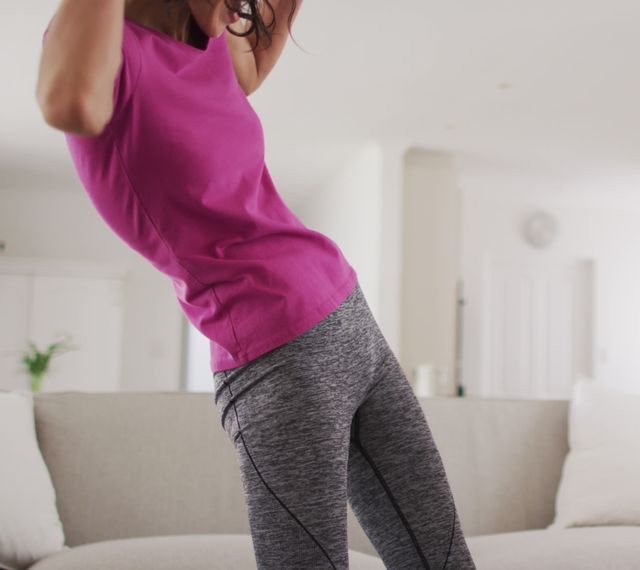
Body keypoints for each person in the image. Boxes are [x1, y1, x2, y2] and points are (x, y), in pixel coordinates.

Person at [37, 1, 475, 568]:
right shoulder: (109, 54)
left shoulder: (207, 37)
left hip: (349, 314)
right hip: (275, 358)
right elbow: (69, 102)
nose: (239, 15)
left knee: (443, 562)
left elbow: (247, 72)